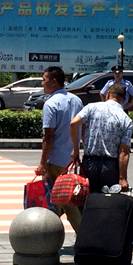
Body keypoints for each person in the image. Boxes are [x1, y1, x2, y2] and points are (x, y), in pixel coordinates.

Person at [36, 66, 84, 234]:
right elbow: (82, 128)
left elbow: (48, 137)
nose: (42, 83)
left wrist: (42, 163)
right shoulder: (76, 101)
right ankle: (50, 234)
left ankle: (50, 235)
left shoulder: (50, 104)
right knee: (65, 199)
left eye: (44, 79)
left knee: (60, 199)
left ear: (53, 81)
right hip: (72, 160)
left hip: (55, 160)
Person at [70, 83, 133, 193]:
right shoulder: (126, 119)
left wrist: (76, 148)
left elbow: (74, 123)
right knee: (108, 203)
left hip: (89, 162)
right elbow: (124, 151)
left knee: (87, 199)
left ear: (108, 94)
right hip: (110, 166)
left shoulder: (92, 107)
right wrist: (122, 178)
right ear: (123, 100)